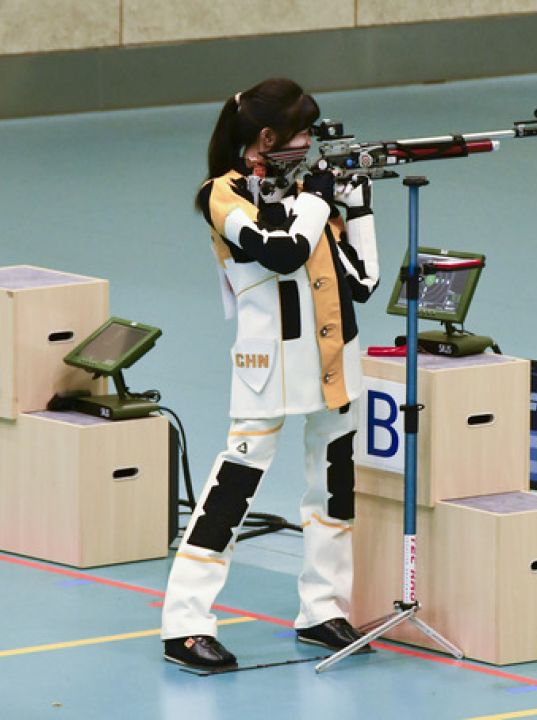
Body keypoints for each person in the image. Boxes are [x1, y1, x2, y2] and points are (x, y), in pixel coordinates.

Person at [160, 78, 380, 669]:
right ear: (266, 138)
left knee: (334, 493)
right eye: (301, 134)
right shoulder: (222, 196)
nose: (309, 144)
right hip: (269, 369)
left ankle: (323, 609)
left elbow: (362, 282)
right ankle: (184, 623)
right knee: (231, 495)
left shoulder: (310, 194)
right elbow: (279, 250)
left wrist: (357, 208)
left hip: (334, 366)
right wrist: (320, 201)